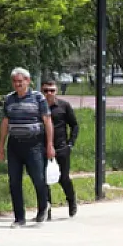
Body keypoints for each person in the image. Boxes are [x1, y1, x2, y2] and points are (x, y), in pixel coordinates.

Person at [0, 67, 55, 226]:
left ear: (28, 81)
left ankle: (43, 207)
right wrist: (1, 146)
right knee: (14, 181)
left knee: (38, 178)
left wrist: (50, 144)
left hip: (34, 144)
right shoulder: (9, 99)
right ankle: (19, 217)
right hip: (14, 144)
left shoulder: (38, 98)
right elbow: (5, 122)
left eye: (20, 82)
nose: (18, 85)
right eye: (15, 82)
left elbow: (47, 121)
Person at [41, 80, 79, 217]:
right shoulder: (38, 106)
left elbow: (74, 125)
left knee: (63, 178)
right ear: (42, 91)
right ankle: (47, 209)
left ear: (56, 91)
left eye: (52, 90)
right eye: (46, 90)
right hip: (42, 148)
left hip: (61, 147)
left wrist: (70, 143)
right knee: (43, 179)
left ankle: (72, 200)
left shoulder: (64, 106)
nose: (49, 93)